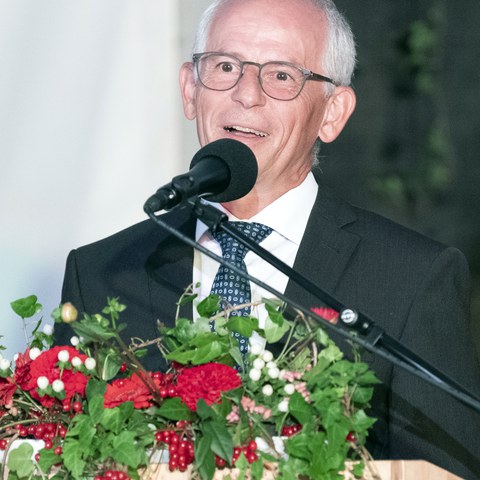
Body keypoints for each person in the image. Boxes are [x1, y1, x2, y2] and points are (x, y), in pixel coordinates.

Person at [56, 0, 480, 477]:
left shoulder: (411, 279)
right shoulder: (103, 274)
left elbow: (447, 470)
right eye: (225, 66)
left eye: (281, 76)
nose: (246, 94)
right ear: (190, 89)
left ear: (333, 113)